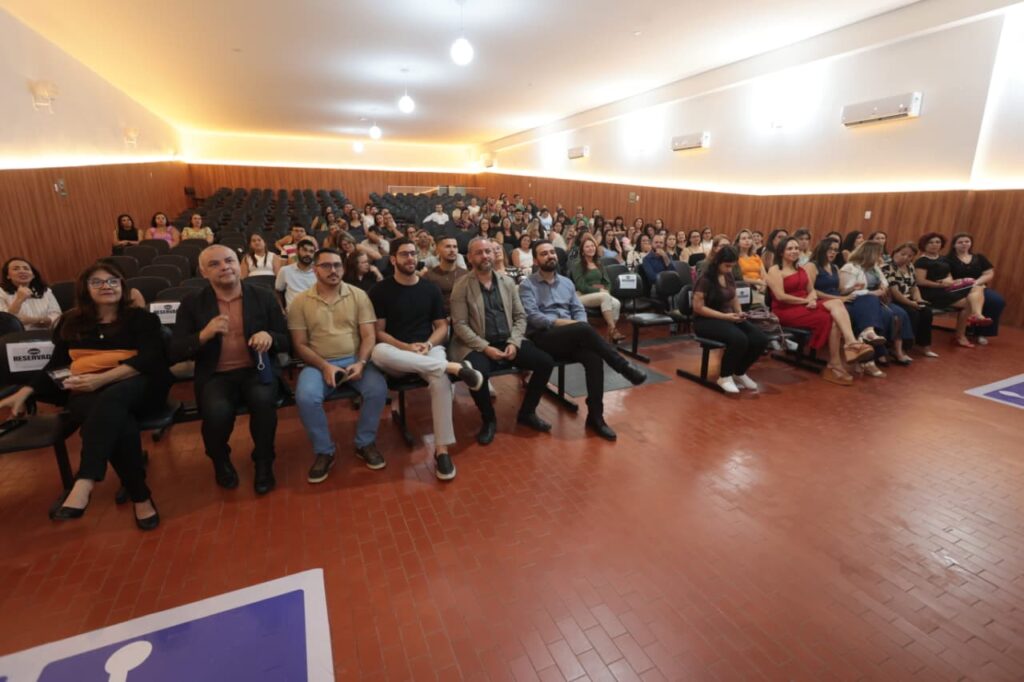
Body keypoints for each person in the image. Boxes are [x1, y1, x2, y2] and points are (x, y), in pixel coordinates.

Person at [0, 262, 170, 529]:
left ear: (123, 286)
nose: (107, 286)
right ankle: (141, 497)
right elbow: (56, 365)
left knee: (111, 400)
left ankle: (86, 478)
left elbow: (151, 359)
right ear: (85, 289)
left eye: (113, 281)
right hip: (88, 393)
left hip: (138, 386)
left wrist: (100, 379)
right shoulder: (71, 322)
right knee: (117, 422)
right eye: (98, 282)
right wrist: (26, 390)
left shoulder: (141, 318)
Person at [171, 245, 290, 495]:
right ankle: (220, 460)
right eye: (215, 264)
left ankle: (264, 461)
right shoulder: (192, 303)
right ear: (203, 272)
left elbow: (285, 338)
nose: (225, 267)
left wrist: (269, 336)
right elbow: (176, 349)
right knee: (216, 413)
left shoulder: (263, 295)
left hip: (256, 370)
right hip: (216, 375)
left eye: (229, 261)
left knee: (264, 402)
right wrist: (203, 335)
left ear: (240, 265)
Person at [368, 238, 484, 482]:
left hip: (427, 349)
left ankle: (441, 450)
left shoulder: (429, 288)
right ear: (393, 259)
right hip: (396, 354)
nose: (410, 258)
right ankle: (454, 368)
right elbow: (379, 332)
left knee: (440, 381)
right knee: (378, 351)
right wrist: (405, 347)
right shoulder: (380, 290)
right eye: (404, 254)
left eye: (413, 253)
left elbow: (442, 326)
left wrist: (429, 344)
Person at [519, 241, 647, 441]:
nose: (550, 256)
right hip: (543, 337)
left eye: (552, 252)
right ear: (536, 260)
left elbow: (578, 310)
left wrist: (578, 326)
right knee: (582, 328)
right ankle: (623, 366)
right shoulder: (528, 285)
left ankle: (596, 417)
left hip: (571, 335)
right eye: (544, 254)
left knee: (594, 358)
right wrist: (572, 326)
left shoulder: (566, 283)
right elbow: (534, 317)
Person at [289, 248, 389, 480]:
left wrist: (362, 362)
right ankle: (324, 451)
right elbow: (300, 345)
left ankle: (364, 443)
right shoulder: (300, 302)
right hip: (318, 362)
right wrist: (325, 366)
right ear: (315, 270)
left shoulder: (358, 295)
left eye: (337, 265)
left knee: (377, 390)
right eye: (326, 266)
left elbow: (368, 336)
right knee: (305, 397)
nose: (333, 270)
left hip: (355, 358)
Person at [450, 238, 556, 445]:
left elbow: (520, 316)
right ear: (470, 257)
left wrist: (514, 342)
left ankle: (527, 412)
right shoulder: (461, 286)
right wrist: (485, 348)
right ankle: (489, 419)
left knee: (545, 362)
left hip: (508, 340)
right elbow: (460, 325)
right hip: (477, 343)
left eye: (488, 251)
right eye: (479, 252)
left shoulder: (507, 282)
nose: (485, 256)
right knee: (478, 374)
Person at [767, 238, 873, 386]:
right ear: (781, 252)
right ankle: (840, 358)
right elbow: (780, 296)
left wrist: (811, 299)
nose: (794, 251)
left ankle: (847, 347)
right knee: (832, 315)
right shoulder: (775, 270)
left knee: (836, 305)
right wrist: (807, 301)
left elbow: (811, 291)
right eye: (790, 248)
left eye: (796, 248)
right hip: (786, 310)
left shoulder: (801, 269)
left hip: (805, 305)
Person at [692, 246, 768, 393]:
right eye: (727, 265)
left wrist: (739, 312)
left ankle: (739, 372)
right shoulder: (705, 279)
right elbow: (698, 308)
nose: (729, 269)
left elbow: (733, 297)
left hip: (727, 318)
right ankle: (725, 376)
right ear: (718, 262)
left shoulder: (728, 275)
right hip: (705, 321)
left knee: (760, 339)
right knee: (739, 339)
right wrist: (725, 316)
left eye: (732, 266)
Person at [839, 241, 913, 373]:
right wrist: (871, 292)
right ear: (868, 254)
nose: (880, 256)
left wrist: (883, 288)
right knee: (885, 315)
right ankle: (871, 358)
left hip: (874, 299)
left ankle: (881, 348)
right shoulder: (850, 267)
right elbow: (844, 290)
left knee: (900, 313)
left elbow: (884, 282)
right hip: (856, 300)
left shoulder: (874, 267)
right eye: (878, 253)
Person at [914, 232, 989, 348]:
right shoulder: (922, 261)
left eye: (937, 242)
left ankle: (976, 315)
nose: (934, 245)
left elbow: (948, 275)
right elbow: (920, 281)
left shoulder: (943, 259)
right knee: (969, 303)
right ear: (924, 245)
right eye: (931, 242)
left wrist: (954, 281)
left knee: (977, 286)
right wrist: (940, 284)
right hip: (930, 292)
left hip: (946, 288)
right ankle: (963, 332)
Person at [946, 232, 1004, 345]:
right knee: (973, 300)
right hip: (958, 288)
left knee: (996, 301)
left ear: (971, 243)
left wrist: (976, 282)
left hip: (978, 286)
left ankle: (981, 333)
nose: (964, 244)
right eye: (960, 242)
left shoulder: (979, 257)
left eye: (967, 241)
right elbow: (947, 278)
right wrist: (963, 283)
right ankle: (976, 316)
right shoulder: (947, 259)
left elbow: (989, 273)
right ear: (954, 245)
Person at [883, 242, 938, 358]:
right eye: (903, 254)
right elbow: (894, 291)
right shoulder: (887, 267)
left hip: (908, 298)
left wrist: (919, 299)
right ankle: (903, 348)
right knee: (912, 313)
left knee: (927, 312)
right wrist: (911, 303)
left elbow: (914, 286)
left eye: (909, 256)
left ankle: (925, 346)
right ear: (895, 252)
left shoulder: (910, 266)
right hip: (894, 300)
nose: (906, 257)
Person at [570, 234, 624, 342]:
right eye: (587, 247)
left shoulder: (599, 263)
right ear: (582, 251)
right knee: (605, 296)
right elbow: (582, 286)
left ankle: (609, 336)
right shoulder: (577, 264)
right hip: (581, 295)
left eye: (593, 246)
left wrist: (604, 290)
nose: (591, 248)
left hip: (600, 294)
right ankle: (613, 330)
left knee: (617, 303)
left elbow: (607, 282)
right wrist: (599, 289)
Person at [0, 257, 61, 329]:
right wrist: (19, 300)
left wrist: (34, 320)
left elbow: (57, 317)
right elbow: (3, 323)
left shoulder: (45, 291)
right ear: (8, 276)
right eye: (16, 269)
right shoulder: (1, 292)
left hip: (46, 334)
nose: (22, 271)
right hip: (16, 337)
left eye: (26, 268)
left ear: (33, 275)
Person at [423, 236, 468, 315]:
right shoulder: (428, 276)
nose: (452, 250)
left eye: (455, 247)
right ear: (438, 250)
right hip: (439, 319)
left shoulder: (466, 275)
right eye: (448, 247)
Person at [275, 238, 318, 308]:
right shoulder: (285, 270)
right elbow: (278, 291)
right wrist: (281, 310)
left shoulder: (319, 272)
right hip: (293, 313)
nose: (308, 254)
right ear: (297, 252)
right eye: (304, 250)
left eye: (311, 251)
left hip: (314, 312)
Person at [734, 230, 767, 304]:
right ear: (738, 242)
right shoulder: (735, 257)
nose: (747, 240)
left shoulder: (756, 256)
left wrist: (763, 286)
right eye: (744, 238)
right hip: (744, 287)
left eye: (749, 238)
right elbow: (738, 277)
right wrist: (758, 282)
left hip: (760, 287)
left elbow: (764, 274)